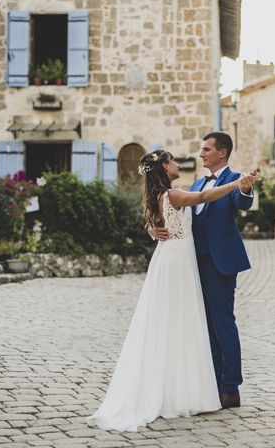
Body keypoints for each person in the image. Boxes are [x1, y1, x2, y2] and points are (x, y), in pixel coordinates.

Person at [87, 149, 257, 432]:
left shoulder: (164, 195)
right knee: (181, 322)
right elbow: (202, 198)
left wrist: (152, 227)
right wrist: (236, 183)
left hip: (180, 260)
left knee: (181, 323)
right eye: (173, 161)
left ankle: (198, 386)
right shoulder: (176, 193)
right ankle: (184, 390)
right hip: (178, 262)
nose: (179, 163)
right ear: (165, 168)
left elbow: (169, 217)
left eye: (206, 149)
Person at [151, 132, 255, 409]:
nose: (201, 153)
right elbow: (170, 215)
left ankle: (230, 389)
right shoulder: (196, 183)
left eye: (207, 149)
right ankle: (211, 385)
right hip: (191, 263)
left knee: (223, 324)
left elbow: (243, 203)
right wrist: (152, 229)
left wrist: (243, 187)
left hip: (220, 263)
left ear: (222, 152)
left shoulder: (236, 178)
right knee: (203, 326)